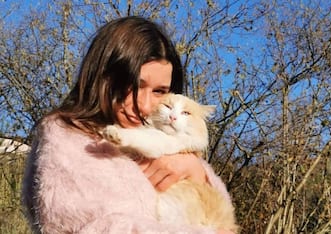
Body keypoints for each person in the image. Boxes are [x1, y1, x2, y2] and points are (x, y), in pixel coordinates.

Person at [22, 16, 234, 234]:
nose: (143, 105)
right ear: (103, 77)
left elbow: (223, 217)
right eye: (132, 85)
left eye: (159, 91)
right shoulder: (68, 140)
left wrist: (195, 170)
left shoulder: (166, 137)